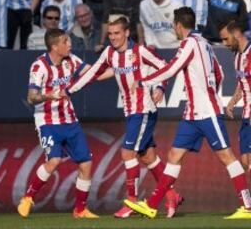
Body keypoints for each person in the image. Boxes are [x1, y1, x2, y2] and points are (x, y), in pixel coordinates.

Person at [125, 7, 251, 219]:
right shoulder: (204, 43)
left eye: (174, 25)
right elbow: (218, 72)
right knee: (174, 156)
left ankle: (247, 205)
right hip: (192, 114)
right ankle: (153, 205)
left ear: (177, 25)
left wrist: (144, 81)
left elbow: (171, 68)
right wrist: (209, 88)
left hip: (206, 111)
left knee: (226, 156)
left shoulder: (190, 43)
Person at [65, 14, 183, 218]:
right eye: (110, 33)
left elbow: (165, 68)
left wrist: (161, 88)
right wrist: (70, 90)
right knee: (148, 156)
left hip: (144, 109)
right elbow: (93, 73)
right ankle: (172, 194)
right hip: (130, 111)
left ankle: (132, 202)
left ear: (127, 33)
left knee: (127, 153)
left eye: (117, 33)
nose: (113, 37)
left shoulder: (141, 52)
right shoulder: (110, 53)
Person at [17, 28, 99, 219]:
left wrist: (119, 70)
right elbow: (31, 98)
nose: (69, 45)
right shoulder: (39, 66)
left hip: (70, 119)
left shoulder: (71, 60)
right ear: (55, 46)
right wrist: (49, 95)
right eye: (65, 41)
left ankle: (80, 210)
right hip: (47, 121)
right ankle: (28, 198)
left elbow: (93, 73)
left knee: (86, 163)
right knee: (53, 160)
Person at [220, 20, 251, 176]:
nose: (224, 43)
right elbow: (242, 82)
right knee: (245, 161)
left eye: (226, 39)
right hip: (246, 115)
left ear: (237, 34)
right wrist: (232, 102)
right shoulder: (237, 57)